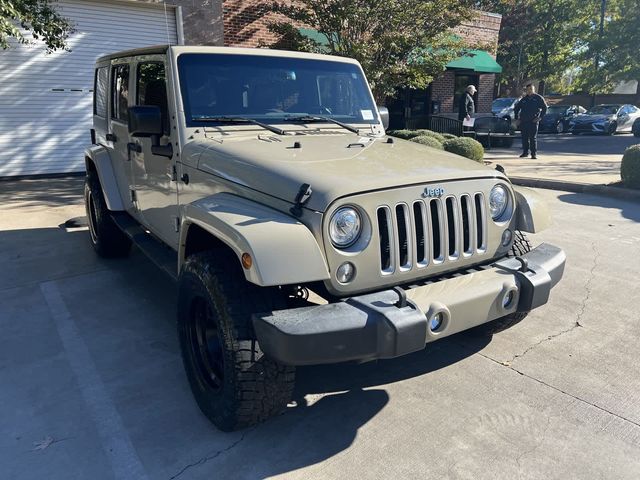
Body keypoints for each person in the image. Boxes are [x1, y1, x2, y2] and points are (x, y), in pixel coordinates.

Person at [514, 84, 547, 159]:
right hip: (524, 121)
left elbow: (545, 108)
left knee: (533, 138)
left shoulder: (538, 98)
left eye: (531, 89)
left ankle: (533, 154)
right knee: (524, 138)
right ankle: (525, 152)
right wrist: (517, 118)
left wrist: (540, 117)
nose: (529, 91)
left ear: (534, 90)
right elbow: (517, 108)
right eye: (528, 89)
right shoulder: (524, 99)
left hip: (533, 121)